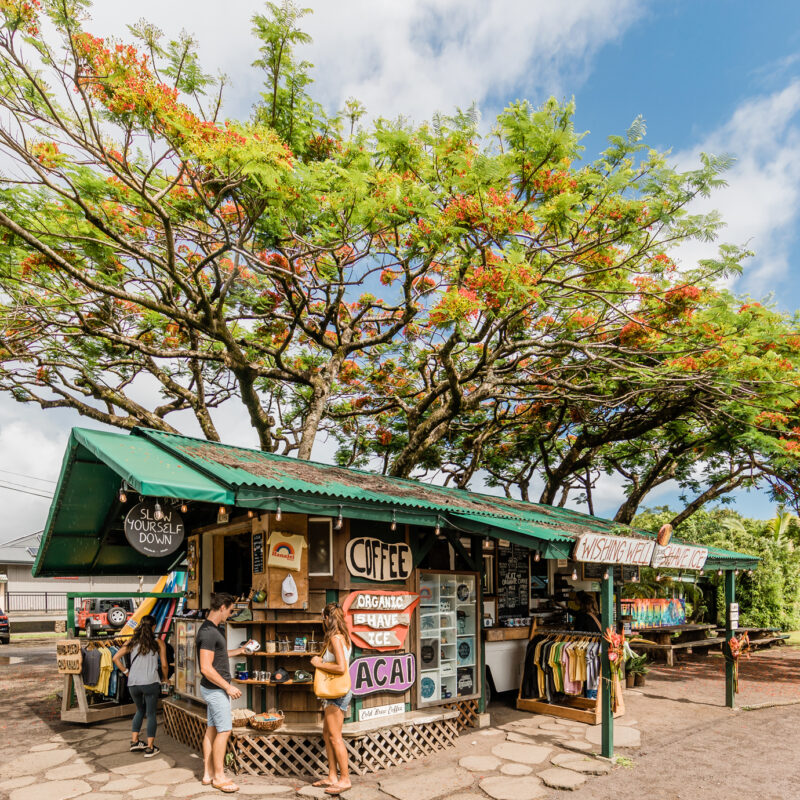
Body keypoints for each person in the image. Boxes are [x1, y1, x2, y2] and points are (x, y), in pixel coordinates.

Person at [196, 592, 248, 793]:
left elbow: (216, 655)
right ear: (223, 608)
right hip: (216, 690)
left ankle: (208, 774)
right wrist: (228, 687)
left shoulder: (210, 629)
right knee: (224, 730)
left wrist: (239, 652)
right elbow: (206, 668)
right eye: (231, 610)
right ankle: (219, 777)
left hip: (212, 689)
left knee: (212, 729)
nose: (231, 614)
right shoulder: (209, 632)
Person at [310, 602, 352, 795]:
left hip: (337, 693)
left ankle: (345, 779)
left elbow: (341, 668)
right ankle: (332, 775)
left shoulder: (335, 638)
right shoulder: (342, 636)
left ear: (327, 618)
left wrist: (319, 663)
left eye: (323, 618)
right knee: (328, 735)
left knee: (335, 737)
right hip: (335, 692)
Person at [112, 614, 168, 757]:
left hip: (133, 683)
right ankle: (150, 747)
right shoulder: (158, 643)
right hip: (150, 682)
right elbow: (165, 665)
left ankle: (135, 741)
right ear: (154, 627)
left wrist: (126, 672)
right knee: (151, 714)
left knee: (139, 710)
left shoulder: (131, 642)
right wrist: (166, 678)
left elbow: (115, 658)